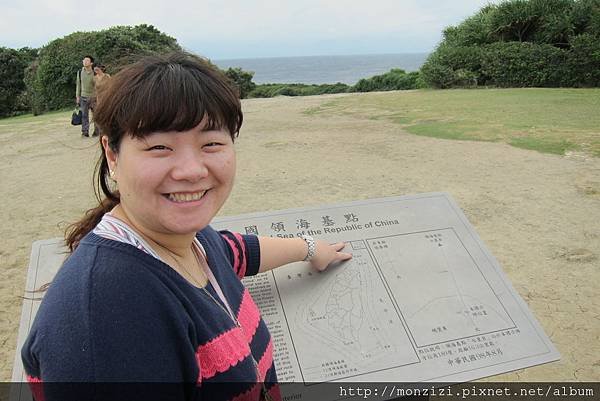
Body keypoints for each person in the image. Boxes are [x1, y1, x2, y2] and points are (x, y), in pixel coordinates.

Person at [21, 52, 352, 401]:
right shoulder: (103, 316)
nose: (192, 170)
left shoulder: (191, 242)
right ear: (112, 154)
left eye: (211, 143)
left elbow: (236, 251)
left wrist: (311, 249)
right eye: (160, 147)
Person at [75, 55, 98, 137]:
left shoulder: (95, 72)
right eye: (84, 60)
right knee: (84, 116)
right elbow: (78, 85)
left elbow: (98, 84)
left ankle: (97, 132)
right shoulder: (79, 72)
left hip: (94, 97)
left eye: (87, 60)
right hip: (83, 97)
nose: (84, 62)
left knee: (96, 115)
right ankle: (85, 132)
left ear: (91, 63)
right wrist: (77, 96)